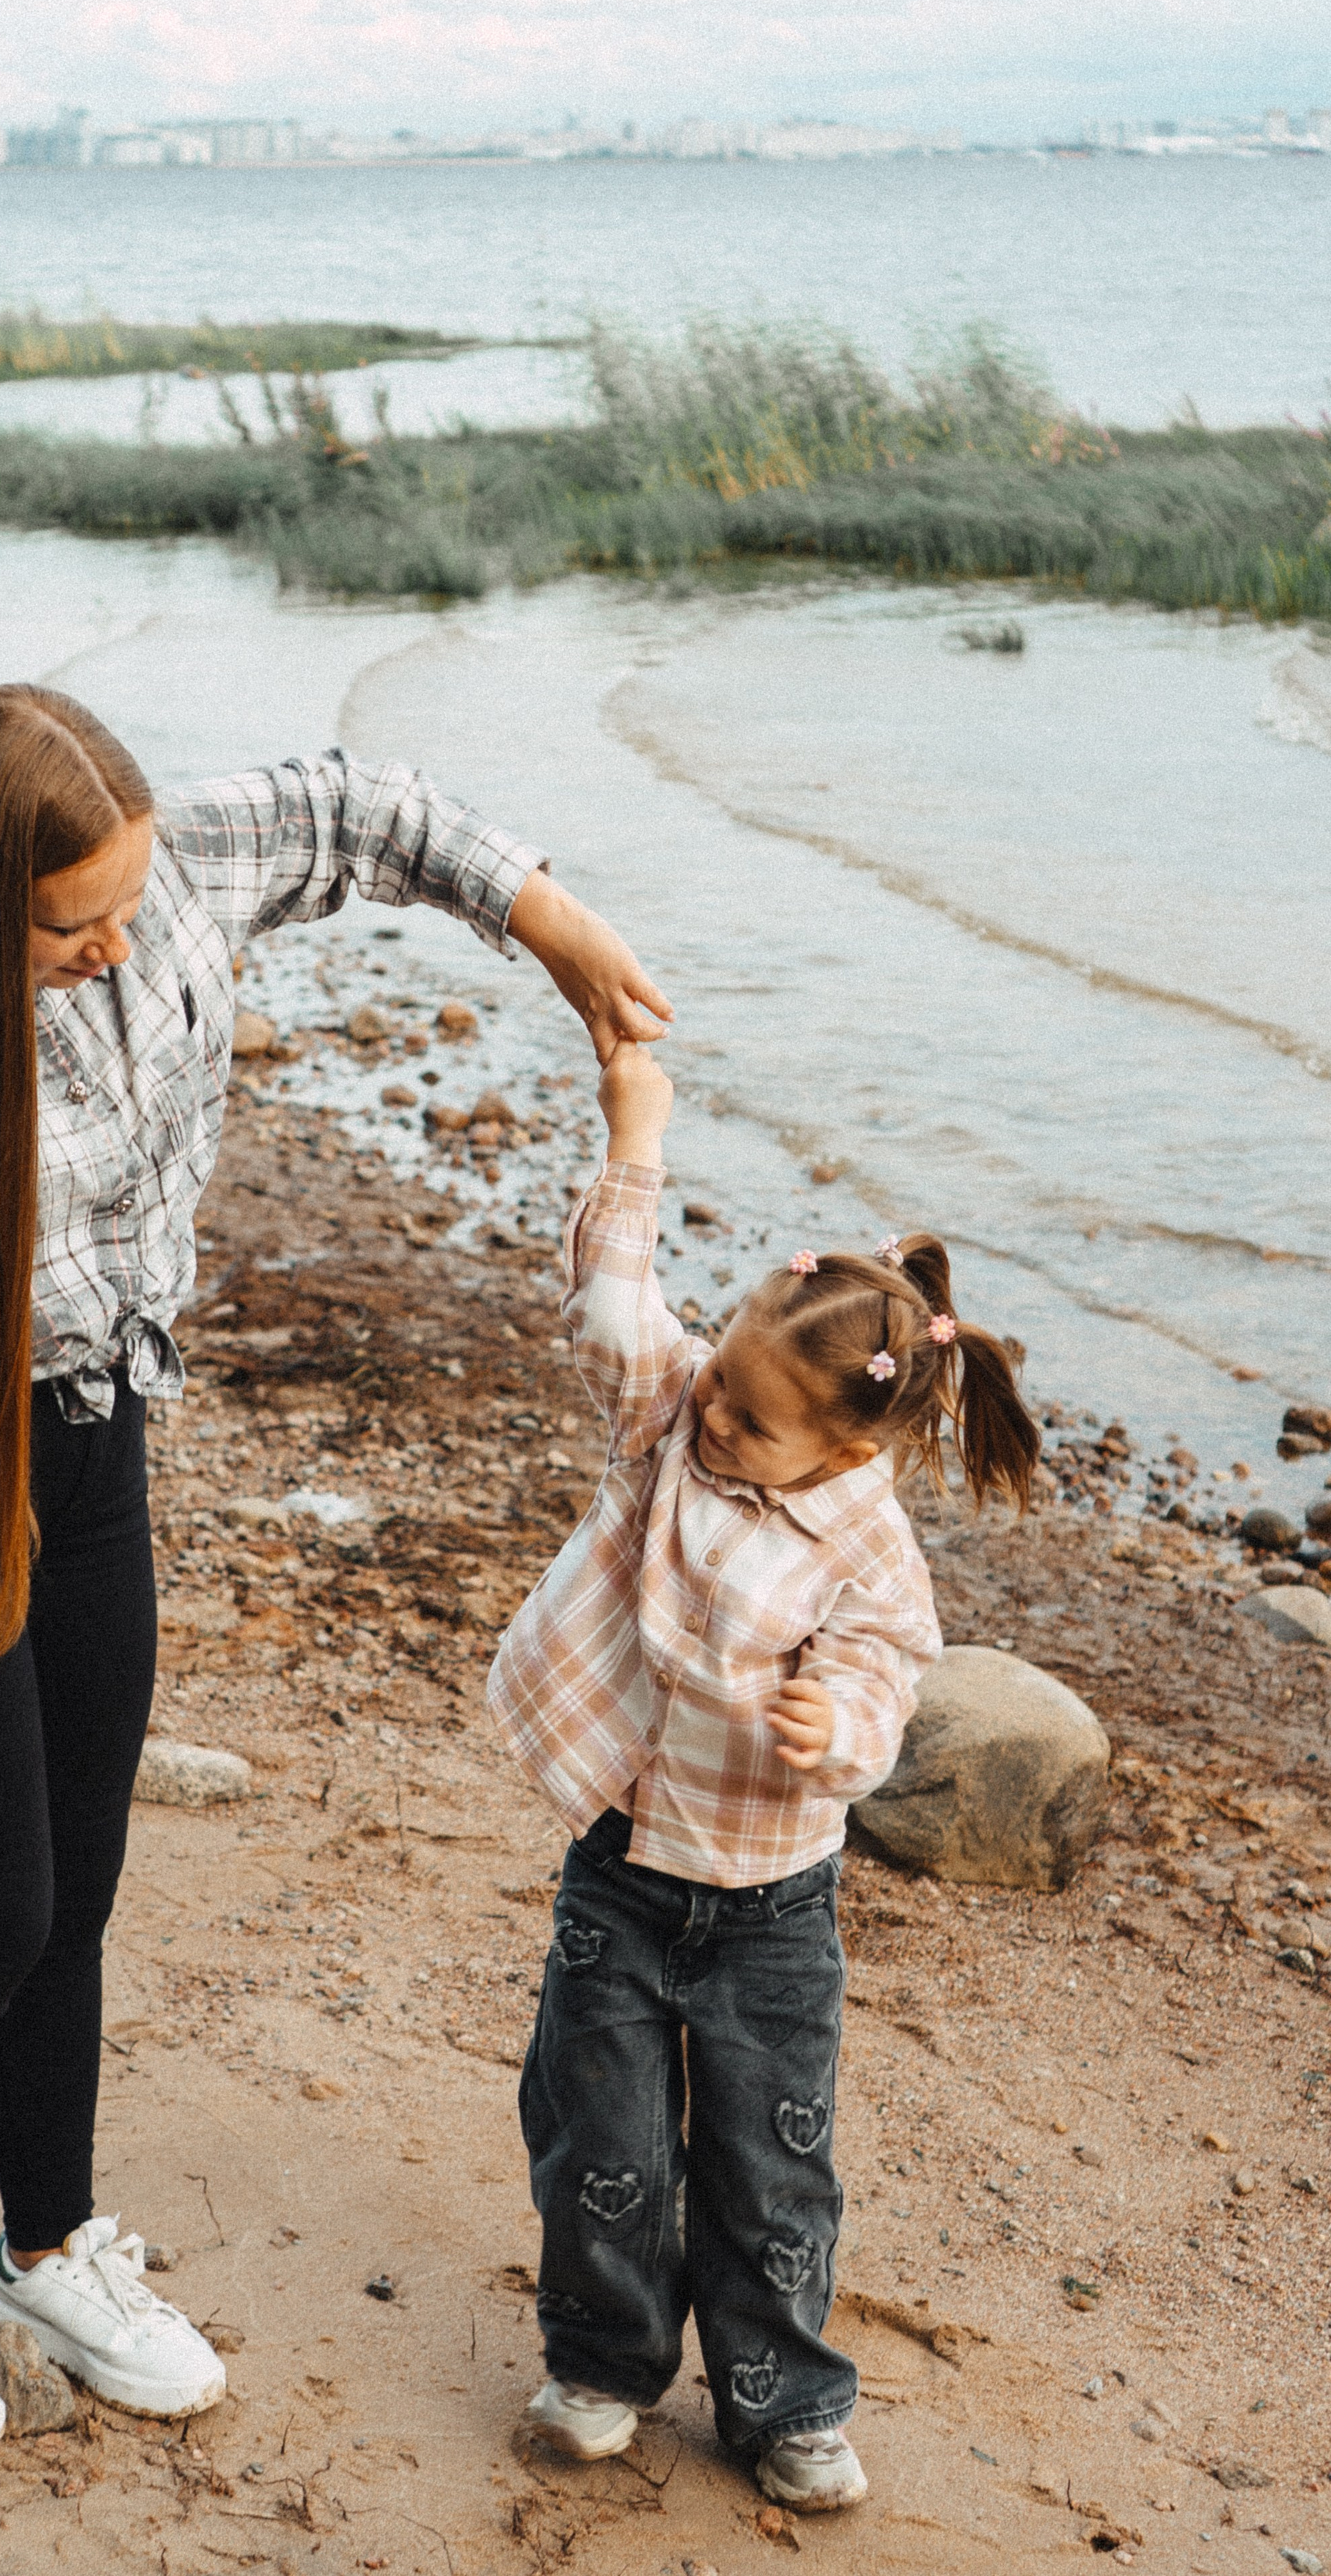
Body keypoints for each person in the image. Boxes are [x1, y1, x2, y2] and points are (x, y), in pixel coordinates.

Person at [0, 685, 672, 2465]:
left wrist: (546, 921)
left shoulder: (155, 890)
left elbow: (356, 808)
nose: (112, 947)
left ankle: (45, 2253)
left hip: (88, 1447)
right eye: (64, 928)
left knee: (72, 1891)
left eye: (122, 908)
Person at [486, 1042, 1039, 2511]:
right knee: (597, 2140)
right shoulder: (668, 1416)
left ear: (849, 1444)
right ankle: (603, 2363)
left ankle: (781, 2397)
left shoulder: (867, 1546)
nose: (715, 1419)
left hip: (772, 1907)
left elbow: (883, 1681)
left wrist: (835, 1733)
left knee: (769, 2159)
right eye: (721, 1379)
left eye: (751, 1418)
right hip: (622, 1862)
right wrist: (637, 1136)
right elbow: (614, 1308)